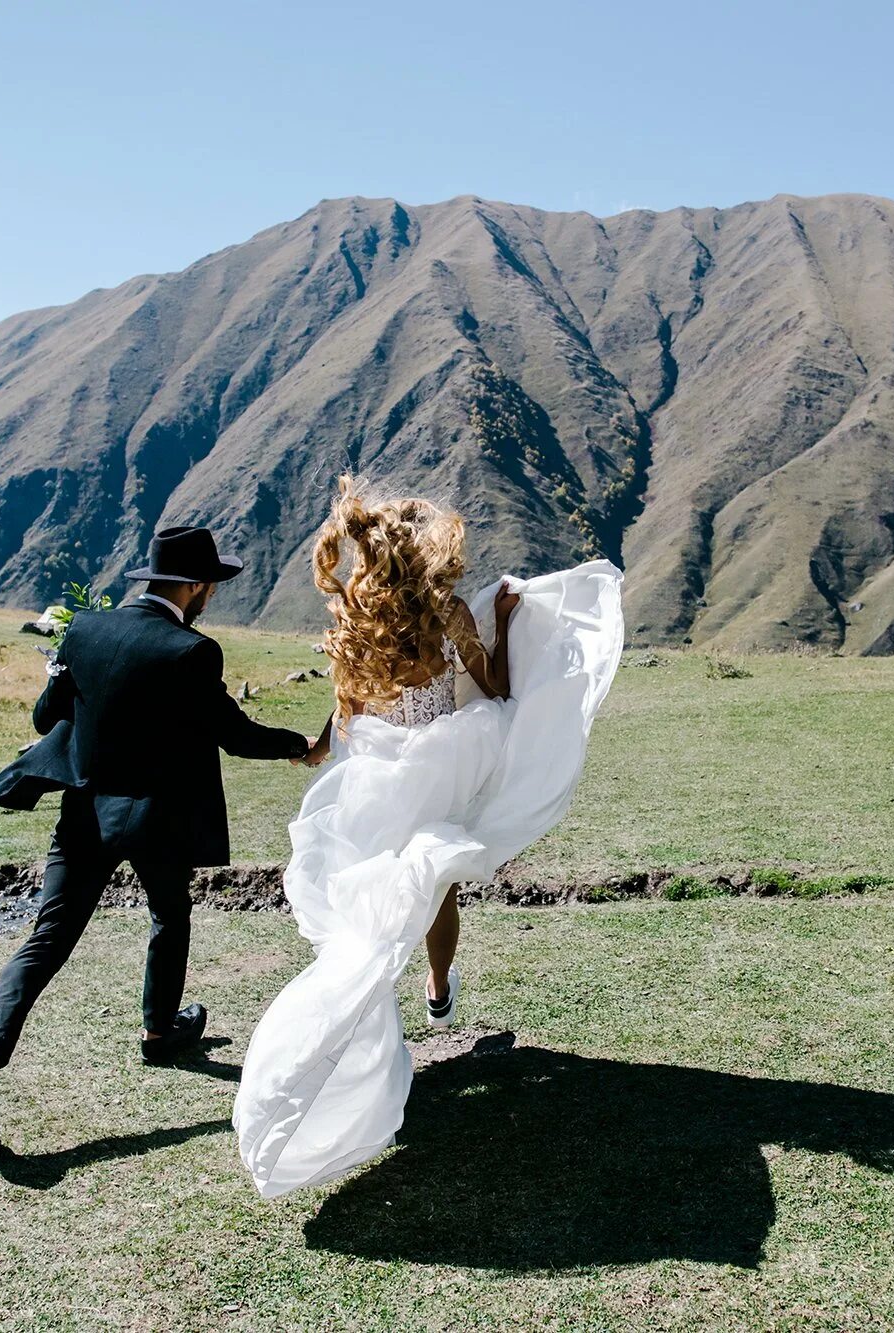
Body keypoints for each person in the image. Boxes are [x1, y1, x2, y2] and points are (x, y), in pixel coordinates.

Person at [234, 476, 624, 1198]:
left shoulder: (357, 619)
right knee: (432, 878)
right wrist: (504, 623)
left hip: (376, 773)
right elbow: (499, 688)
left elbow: (344, 706)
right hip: (441, 765)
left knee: (381, 903)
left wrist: (322, 752)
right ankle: (438, 988)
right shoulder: (447, 615)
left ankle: (378, 1026)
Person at [0, 526, 311, 1153]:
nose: (208, 598)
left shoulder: (85, 629)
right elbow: (236, 734)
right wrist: (304, 745)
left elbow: (44, 718)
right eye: (209, 587)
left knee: (46, 940)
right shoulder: (192, 650)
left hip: (84, 809)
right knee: (169, 914)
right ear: (195, 586)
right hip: (156, 817)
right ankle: (159, 1032)